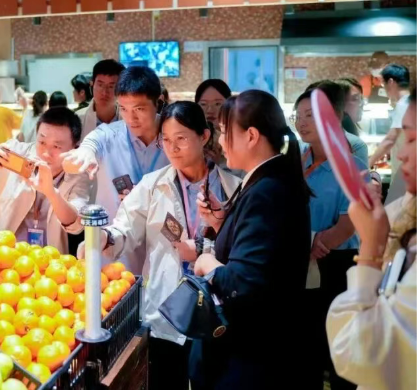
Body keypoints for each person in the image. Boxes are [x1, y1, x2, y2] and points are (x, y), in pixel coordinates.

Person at [95, 102, 241, 389]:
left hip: (215, 311)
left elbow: (239, 248)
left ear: (204, 136)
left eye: (181, 138)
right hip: (166, 311)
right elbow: (125, 227)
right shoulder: (152, 185)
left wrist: (201, 249)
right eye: (166, 140)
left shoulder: (233, 188)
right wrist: (106, 237)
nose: (172, 148)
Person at [189, 90, 311, 390]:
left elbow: (242, 282)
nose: (220, 141)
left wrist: (206, 263)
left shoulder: (267, 190)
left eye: (224, 132)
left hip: (251, 356)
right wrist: (222, 222)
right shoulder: (270, 179)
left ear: (252, 136)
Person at [326, 89, 416, 390]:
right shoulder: (404, 212)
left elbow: (358, 354)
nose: (401, 153)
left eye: (411, 139)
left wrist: (371, 249)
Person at [62, 66, 169, 272]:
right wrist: (84, 154)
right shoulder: (108, 135)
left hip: (163, 254)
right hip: (114, 256)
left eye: (139, 109)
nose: (130, 118)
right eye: (124, 109)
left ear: (159, 101)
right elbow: (90, 145)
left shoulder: (173, 140)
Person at [294, 86, 366, 390]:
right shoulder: (295, 161)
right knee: (305, 348)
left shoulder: (353, 167)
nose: (301, 122)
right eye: (298, 116)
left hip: (336, 265)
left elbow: (348, 225)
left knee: (339, 349)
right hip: (299, 263)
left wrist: (315, 244)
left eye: (310, 115)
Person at [0, 107, 89, 253]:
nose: (46, 153)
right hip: (0, 254)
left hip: (47, 260)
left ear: (74, 148)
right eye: (42, 142)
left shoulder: (77, 174)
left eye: (56, 146)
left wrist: (51, 193)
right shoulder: (17, 153)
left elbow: (76, 224)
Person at [370, 64, 411, 204]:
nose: (383, 88)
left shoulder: (403, 104)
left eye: (383, 83)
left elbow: (390, 139)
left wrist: (369, 162)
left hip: (405, 173)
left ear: (391, 82)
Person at [76, 59, 125, 139]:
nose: (104, 92)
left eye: (111, 86)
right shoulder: (77, 120)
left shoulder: (130, 120)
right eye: (100, 85)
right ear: (92, 84)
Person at [195, 79, 233, 169]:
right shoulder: (191, 139)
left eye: (217, 104)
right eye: (203, 104)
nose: (210, 110)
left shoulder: (238, 142)